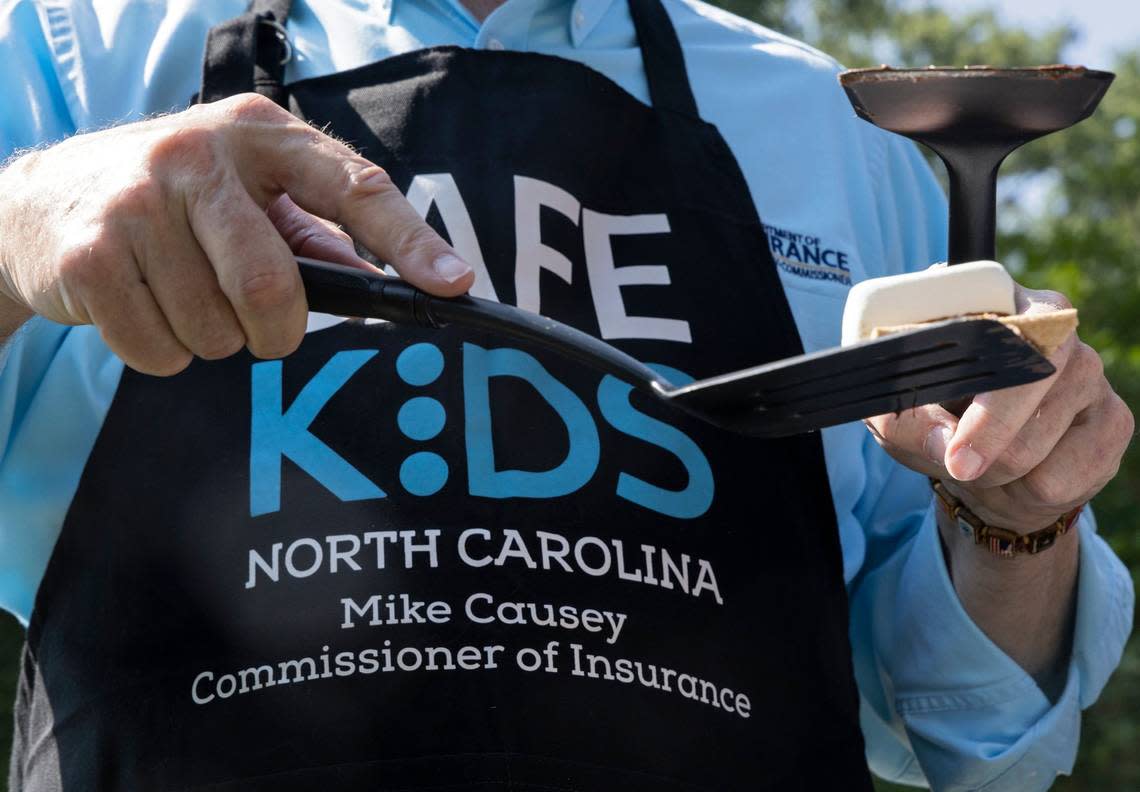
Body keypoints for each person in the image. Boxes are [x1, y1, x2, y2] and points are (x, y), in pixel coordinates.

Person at [0, 0, 1132, 789]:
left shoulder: (842, 135)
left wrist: (1016, 514)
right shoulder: (61, 58)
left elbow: (970, 741)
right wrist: (24, 218)